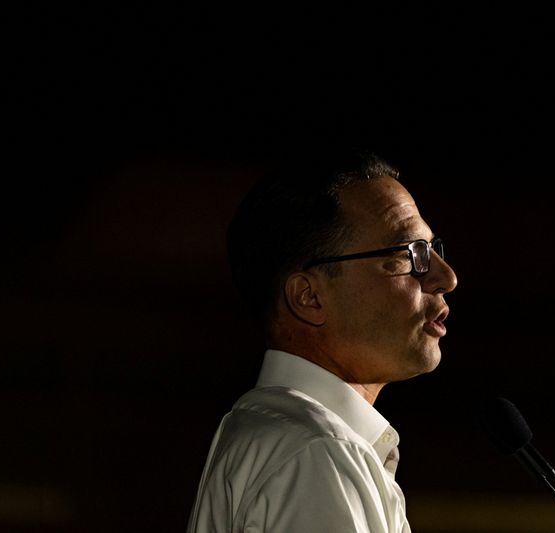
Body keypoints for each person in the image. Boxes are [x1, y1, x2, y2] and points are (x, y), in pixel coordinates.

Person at [187, 151, 458, 532]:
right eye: (407, 253)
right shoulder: (317, 450)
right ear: (309, 297)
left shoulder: (278, 434)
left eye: (432, 250)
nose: (447, 278)